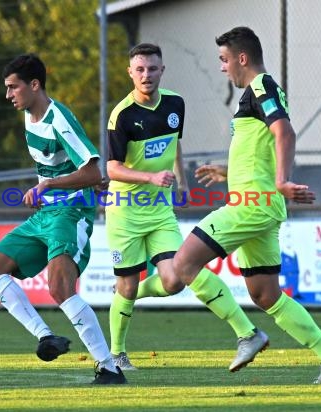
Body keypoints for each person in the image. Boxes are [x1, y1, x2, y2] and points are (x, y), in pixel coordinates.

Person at [172, 26, 321, 384]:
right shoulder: (257, 93)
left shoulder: (261, 87)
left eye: (225, 60)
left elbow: (284, 132)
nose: (223, 68)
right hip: (256, 201)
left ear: (242, 58)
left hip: (252, 206)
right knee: (265, 294)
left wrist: (283, 180)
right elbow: (263, 146)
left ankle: (247, 335)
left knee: (183, 263)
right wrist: (231, 172)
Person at [0, 53, 126, 385]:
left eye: (13, 87)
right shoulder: (30, 116)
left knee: (59, 287)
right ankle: (46, 336)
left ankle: (109, 367)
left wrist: (48, 185)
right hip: (46, 213)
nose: (8, 95)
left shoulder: (59, 118)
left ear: (34, 85)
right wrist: (49, 187)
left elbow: (92, 171)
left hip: (71, 212)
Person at [105, 43, 189, 370]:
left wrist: (182, 183)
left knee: (175, 279)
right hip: (125, 211)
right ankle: (116, 353)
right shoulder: (122, 115)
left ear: (162, 70)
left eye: (152, 68)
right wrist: (150, 177)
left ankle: (126, 296)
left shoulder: (176, 104)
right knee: (125, 285)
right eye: (139, 69)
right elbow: (112, 169)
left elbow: (175, 145)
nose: (146, 75)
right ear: (130, 73)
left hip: (160, 211)